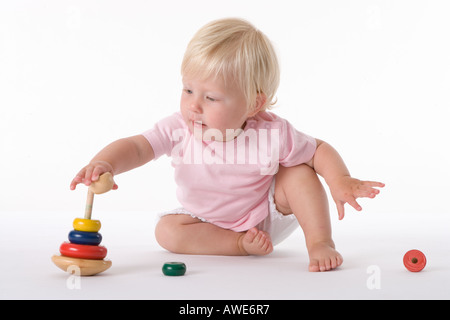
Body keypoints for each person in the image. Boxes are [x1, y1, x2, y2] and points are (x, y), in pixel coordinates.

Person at [70, 18, 384, 272]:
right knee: (166, 231)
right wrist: (106, 163)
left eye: (210, 98)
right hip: (204, 221)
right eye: (188, 90)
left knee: (300, 171)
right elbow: (138, 147)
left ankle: (320, 242)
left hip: (264, 214)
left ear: (253, 103)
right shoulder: (180, 128)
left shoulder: (271, 133)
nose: (194, 105)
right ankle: (235, 245)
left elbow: (319, 150)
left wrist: (339, 180)